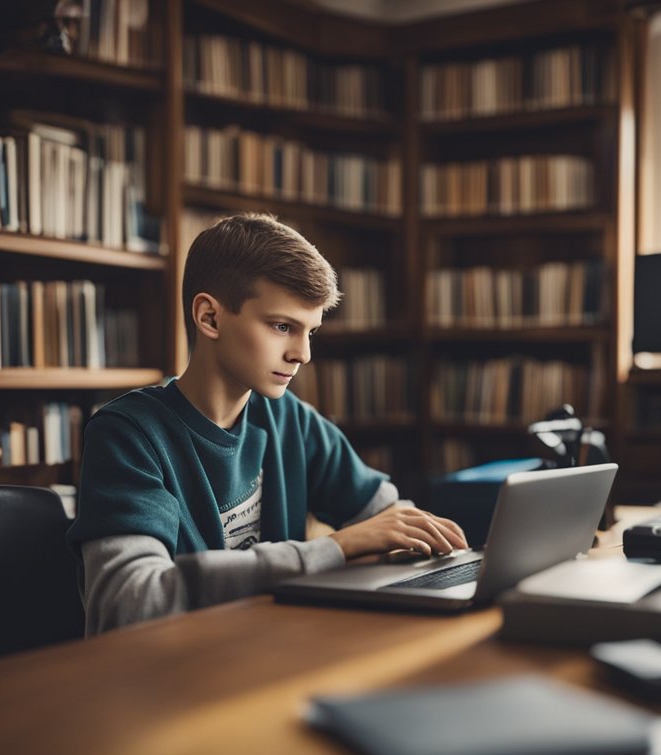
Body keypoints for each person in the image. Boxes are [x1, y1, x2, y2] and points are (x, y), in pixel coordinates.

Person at [68, 213, 467, 634]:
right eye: (282, 327)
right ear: (210, 318)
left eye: (310, 331)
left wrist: (417, 536)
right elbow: (130, 600)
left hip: (271, 651)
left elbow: (390, 518)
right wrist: (332, 549)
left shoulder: (289, 417)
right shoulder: (127, 434)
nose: (303, 354)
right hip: (172, 676)